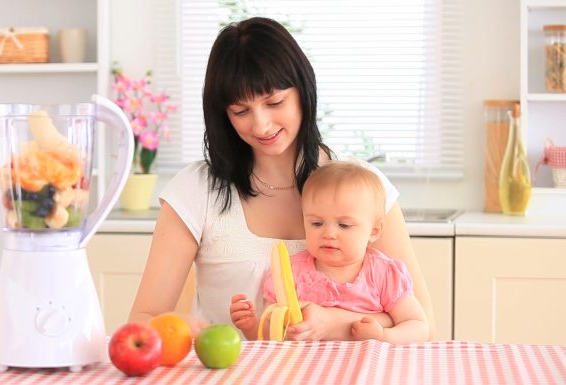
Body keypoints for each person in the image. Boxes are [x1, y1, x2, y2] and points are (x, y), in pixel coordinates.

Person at [128, 16, 436, 341]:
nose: (261, 126)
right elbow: (143, 320)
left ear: (303, 91)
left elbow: (425, 325)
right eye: (240, 111)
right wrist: (177, 327)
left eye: (274, 102)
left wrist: (337, 322)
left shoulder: (363, 187)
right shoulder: (196, 190)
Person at [230, 161, 429, 343]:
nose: (329, 233)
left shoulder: (383, 274)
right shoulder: (289, 273)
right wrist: (250, 325)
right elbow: (272, 337)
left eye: (344, 225)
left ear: (374, 231)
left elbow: (419, 326)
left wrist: (384, 336)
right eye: (317, 223)